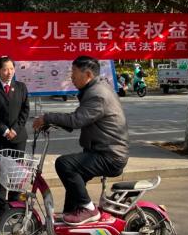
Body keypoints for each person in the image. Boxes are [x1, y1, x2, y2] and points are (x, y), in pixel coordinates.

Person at [33, 56, 129, 226]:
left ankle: (89, 209)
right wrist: (54, 123)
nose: (72, 77)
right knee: (75, 177)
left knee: (65, 164)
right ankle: (71, 212)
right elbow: (82, 118)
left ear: (88, 74)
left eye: (74, 72)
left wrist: (47, 118)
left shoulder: (97, 94)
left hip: (110, 155)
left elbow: (77, 120)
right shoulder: (96, 88)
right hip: (102, 150)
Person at [0, 56, 30, 216]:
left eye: (11, 68)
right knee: (1, 170)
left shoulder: (21, 87)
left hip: (18, 136)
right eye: (5, 69)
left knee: (17, 170)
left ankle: (15, 201)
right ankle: (2, 203)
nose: (9, 72)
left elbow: (25, 110)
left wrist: (15, 130)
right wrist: (4, 130)